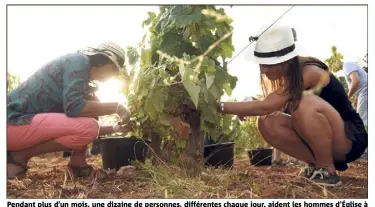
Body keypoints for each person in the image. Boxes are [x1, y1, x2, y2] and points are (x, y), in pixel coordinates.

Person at [217, 25, 367, 186]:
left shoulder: (309, 72)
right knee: (267, 121)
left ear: (285, 62)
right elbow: (271, 106)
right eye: (261, 64)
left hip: (350, 139)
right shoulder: (289, 79)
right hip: (328, 140)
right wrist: (247, 103)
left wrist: (218, 107)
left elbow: (267, 105)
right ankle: (316, 165)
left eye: (268, 64)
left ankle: (326, 170)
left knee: (303, 103)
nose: (263, 71)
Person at [7, 41, 133, 179]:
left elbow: (74, 126)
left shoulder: (81, 76)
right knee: (89, 121)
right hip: (11, 122)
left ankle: (78, 164)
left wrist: (116, 128)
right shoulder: (80, 61)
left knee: (92, 106)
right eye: (114, 70)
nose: (114, 75)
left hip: (18, 126)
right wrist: (115, 107)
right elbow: (75, 108)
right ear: (105, 60)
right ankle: (17, 157)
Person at [340, 61, 368, 158]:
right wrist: (355, 104)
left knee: (363, 120)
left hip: (366, 90)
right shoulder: (347, 67)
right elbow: (357, 86)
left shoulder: (346, 65)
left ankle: (365, 151)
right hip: (363, 91)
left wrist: (345, 98)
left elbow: (356, 81)